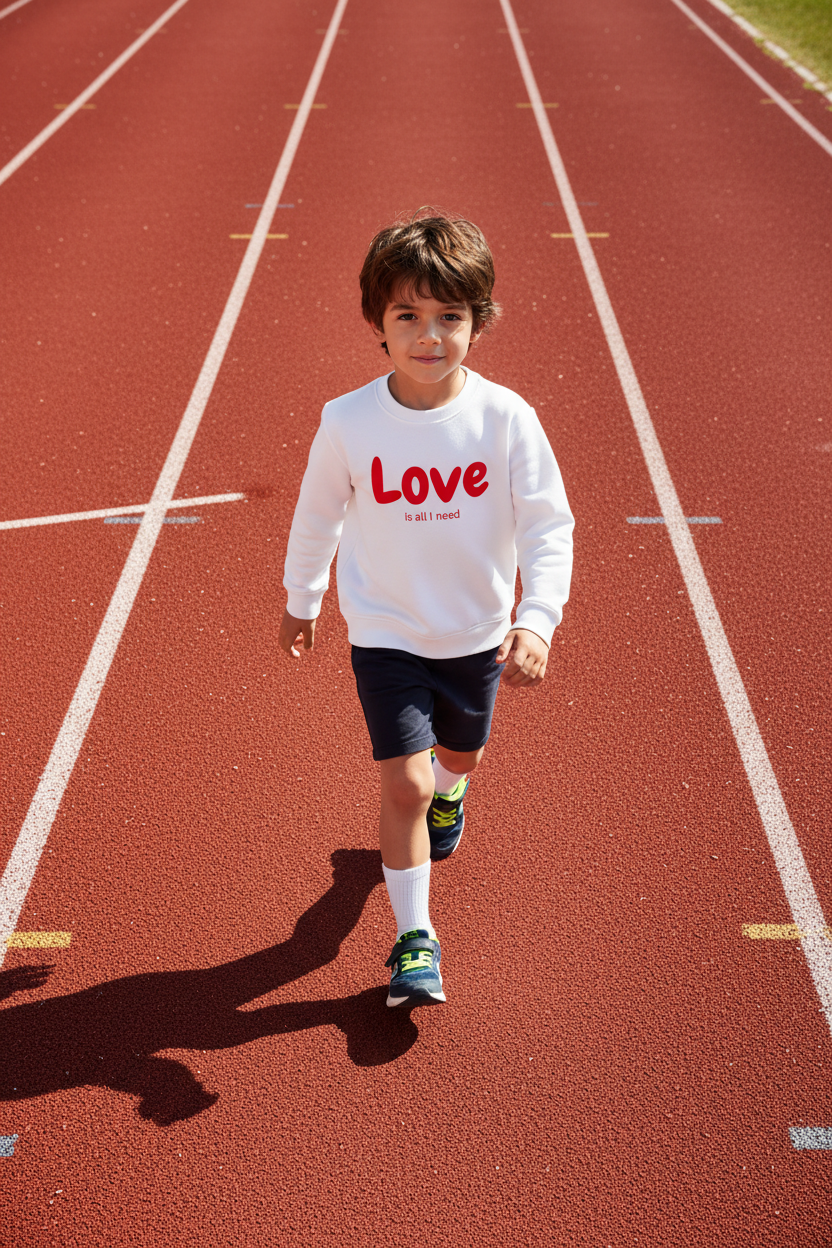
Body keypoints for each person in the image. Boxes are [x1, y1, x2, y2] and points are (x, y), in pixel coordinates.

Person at [278, 211, 573, 1008]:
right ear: (377, 321)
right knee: (401, 784)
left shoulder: (506, 419)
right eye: (408, 315)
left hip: (477, 635)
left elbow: (549, 524)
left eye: (450, 316)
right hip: (386, 637)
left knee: (457, 761)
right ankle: (416, 941)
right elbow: (318, 515)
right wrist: (302, 599)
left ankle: (454, 789)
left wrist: (536, 618)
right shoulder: (348, 421)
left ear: (480, 322)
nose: (429, 334)